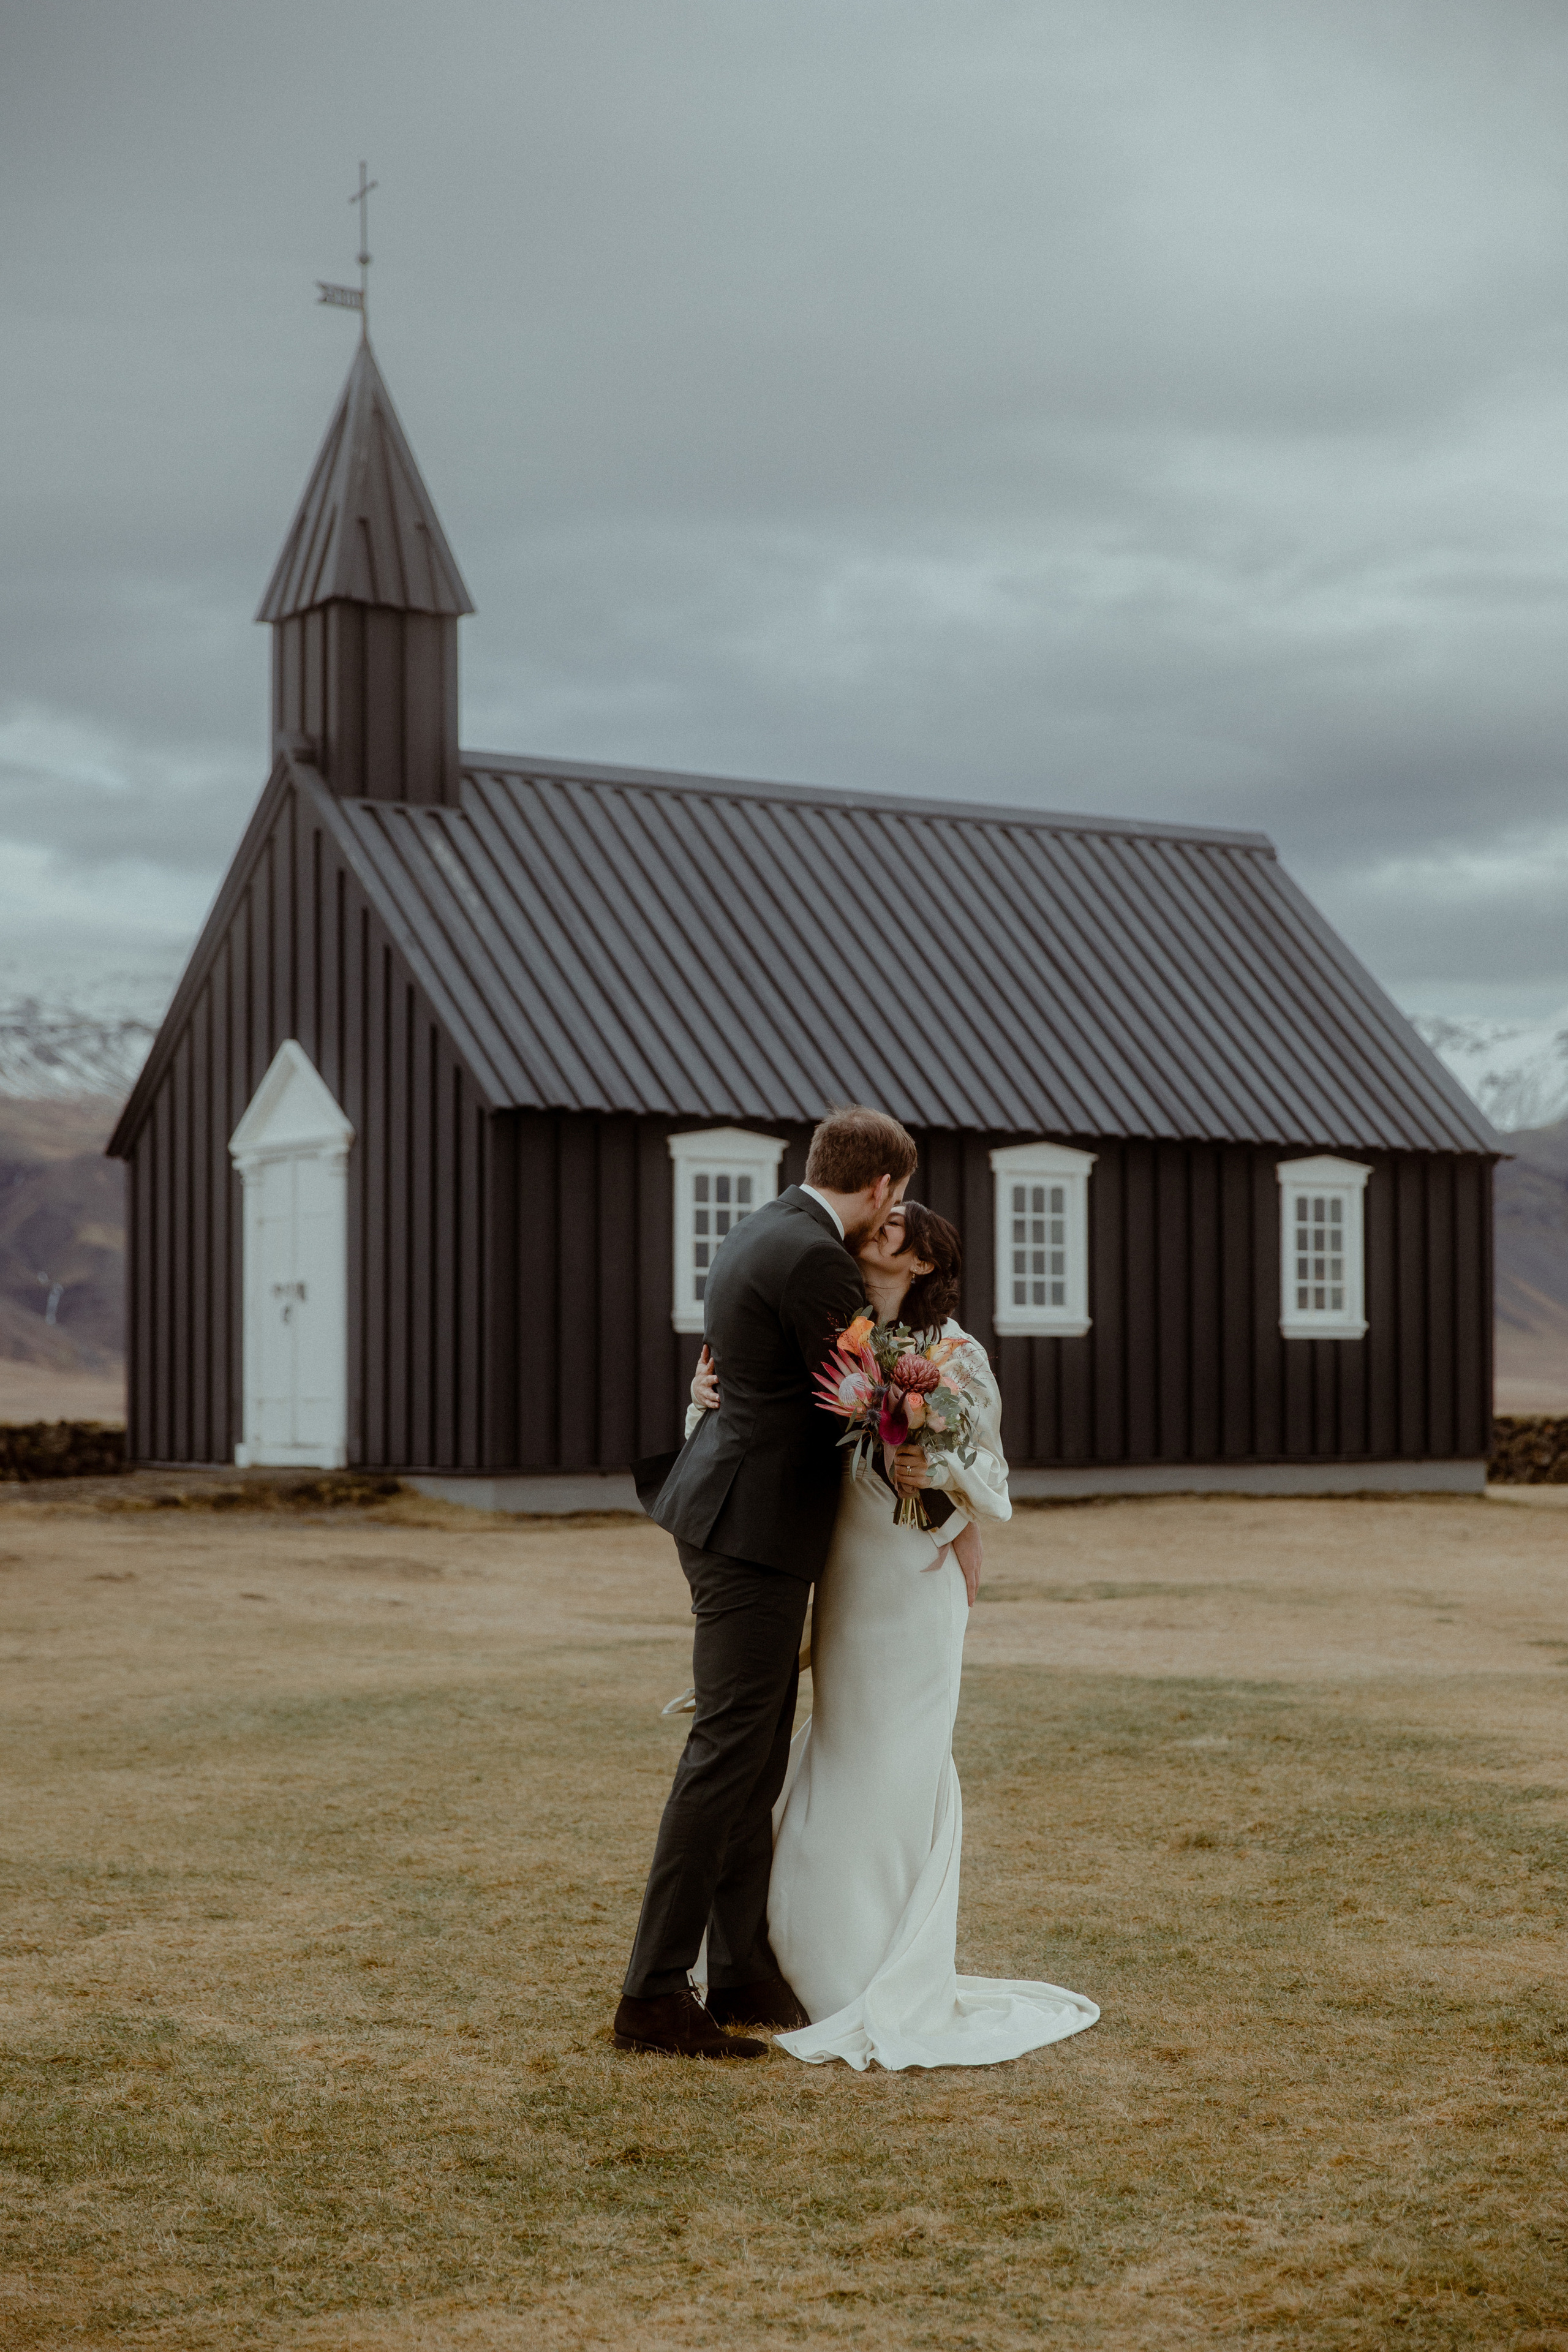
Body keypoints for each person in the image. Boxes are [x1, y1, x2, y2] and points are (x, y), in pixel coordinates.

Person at [688, 1199, 1099, 2071]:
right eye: (873, 1223)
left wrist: (934, 1466)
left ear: (920, 1262)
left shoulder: (953, 1351)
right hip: (846, 1574)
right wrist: (704, 1396)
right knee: (841, 1747)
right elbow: (761, 1425)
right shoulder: (837, 1337)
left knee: (894, 1759)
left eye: (889, 1232)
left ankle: (871, 1964)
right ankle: (795, 1956)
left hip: (914, 1579)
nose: (871, 1230)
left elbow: (988, 1465)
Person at [613, 1104, 921, 2061]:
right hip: (750, 1529)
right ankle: (654, 1996)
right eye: (898, 1200)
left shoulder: (757, 1227)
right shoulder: (818, 1259)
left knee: (753, 1758)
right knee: (726, 1754)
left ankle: (741, 1968)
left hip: (734, 1512)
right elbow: (861, 1397)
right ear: (880, 1189)